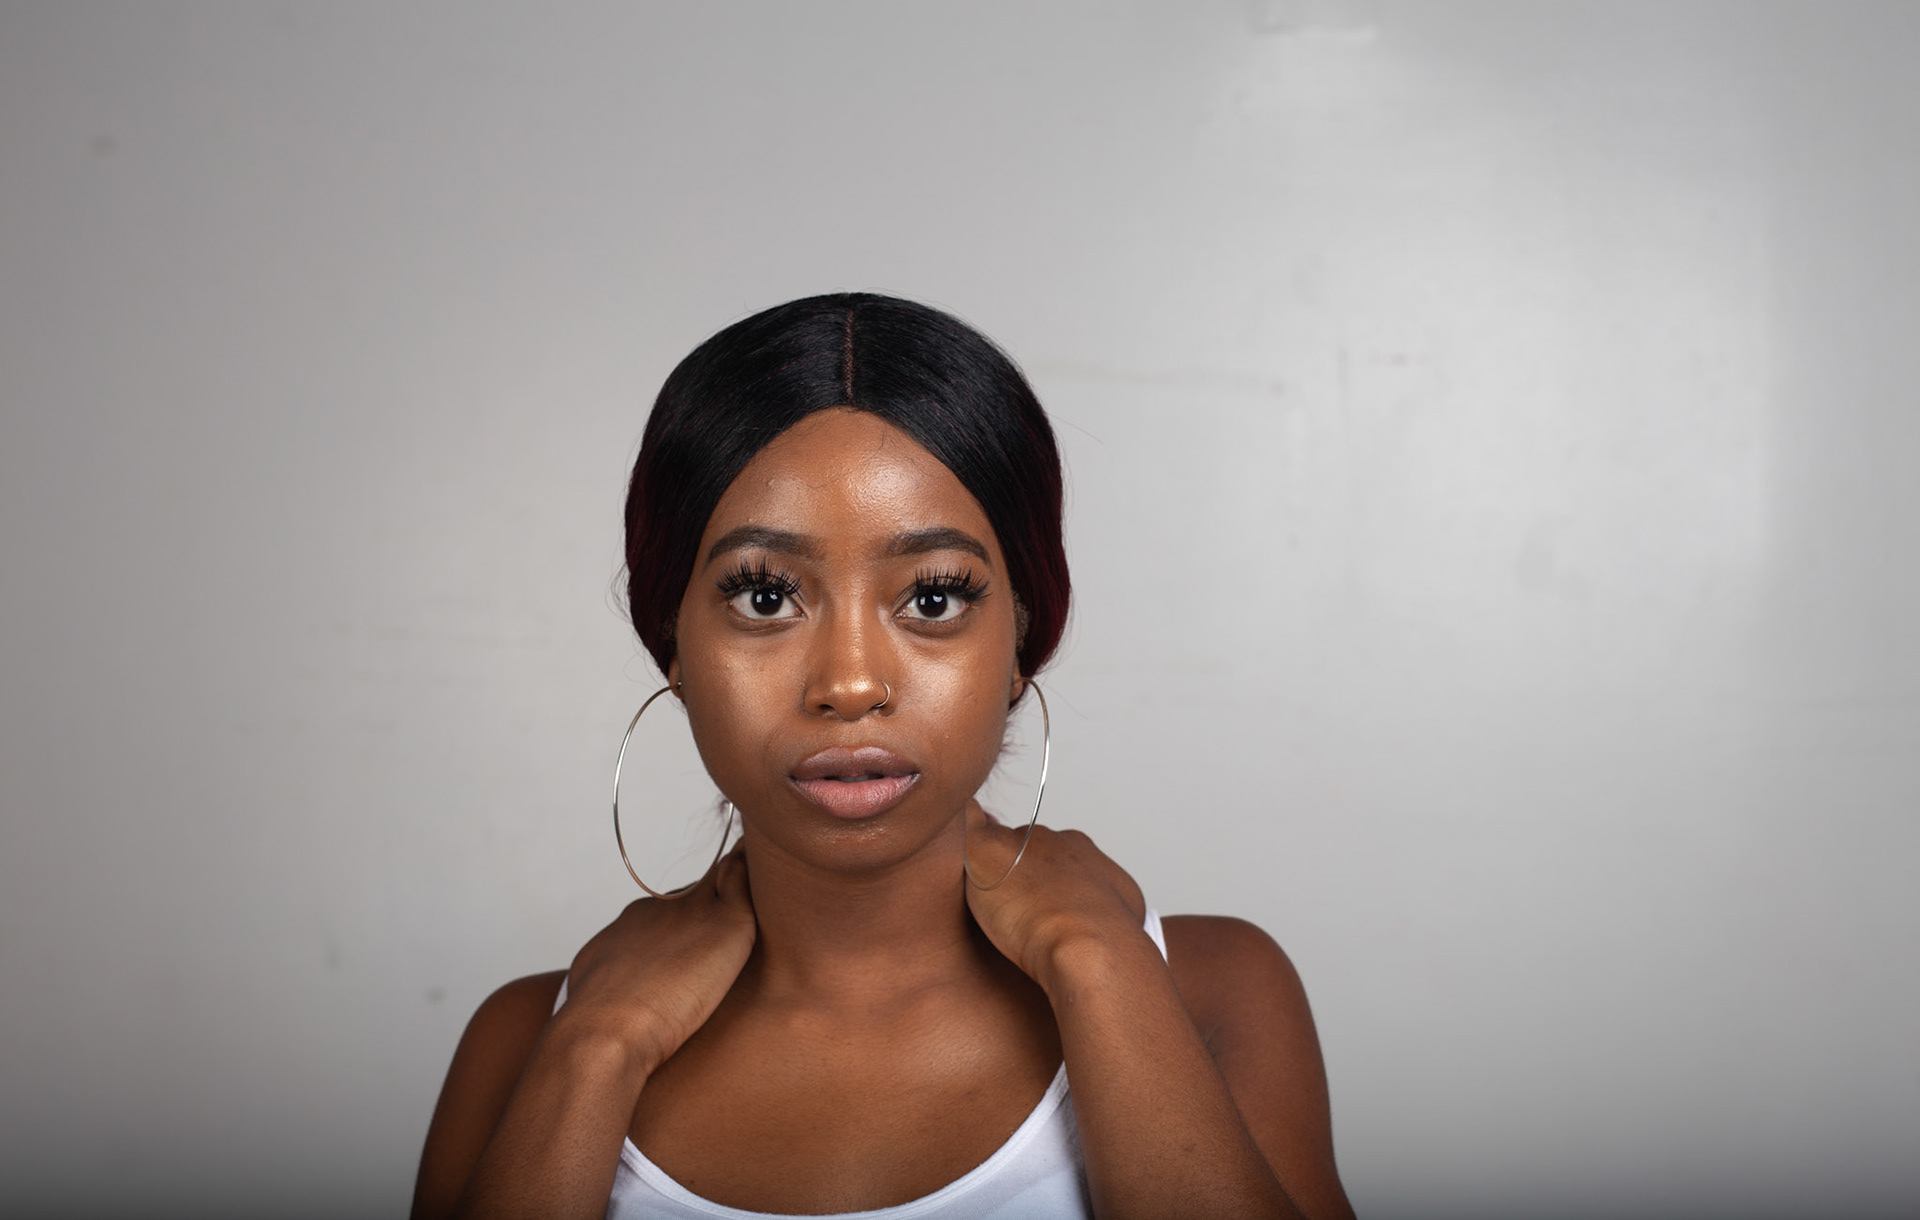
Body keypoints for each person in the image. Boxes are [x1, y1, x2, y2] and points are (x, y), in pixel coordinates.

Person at [411, 294, 1355, 1219]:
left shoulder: (1211, 988)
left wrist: (1099, 960)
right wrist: (596, 1047)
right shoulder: (527, 1043)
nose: (850, 683)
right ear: (673, 643)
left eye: (933, 598)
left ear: (1023, 639)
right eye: (766, 597)